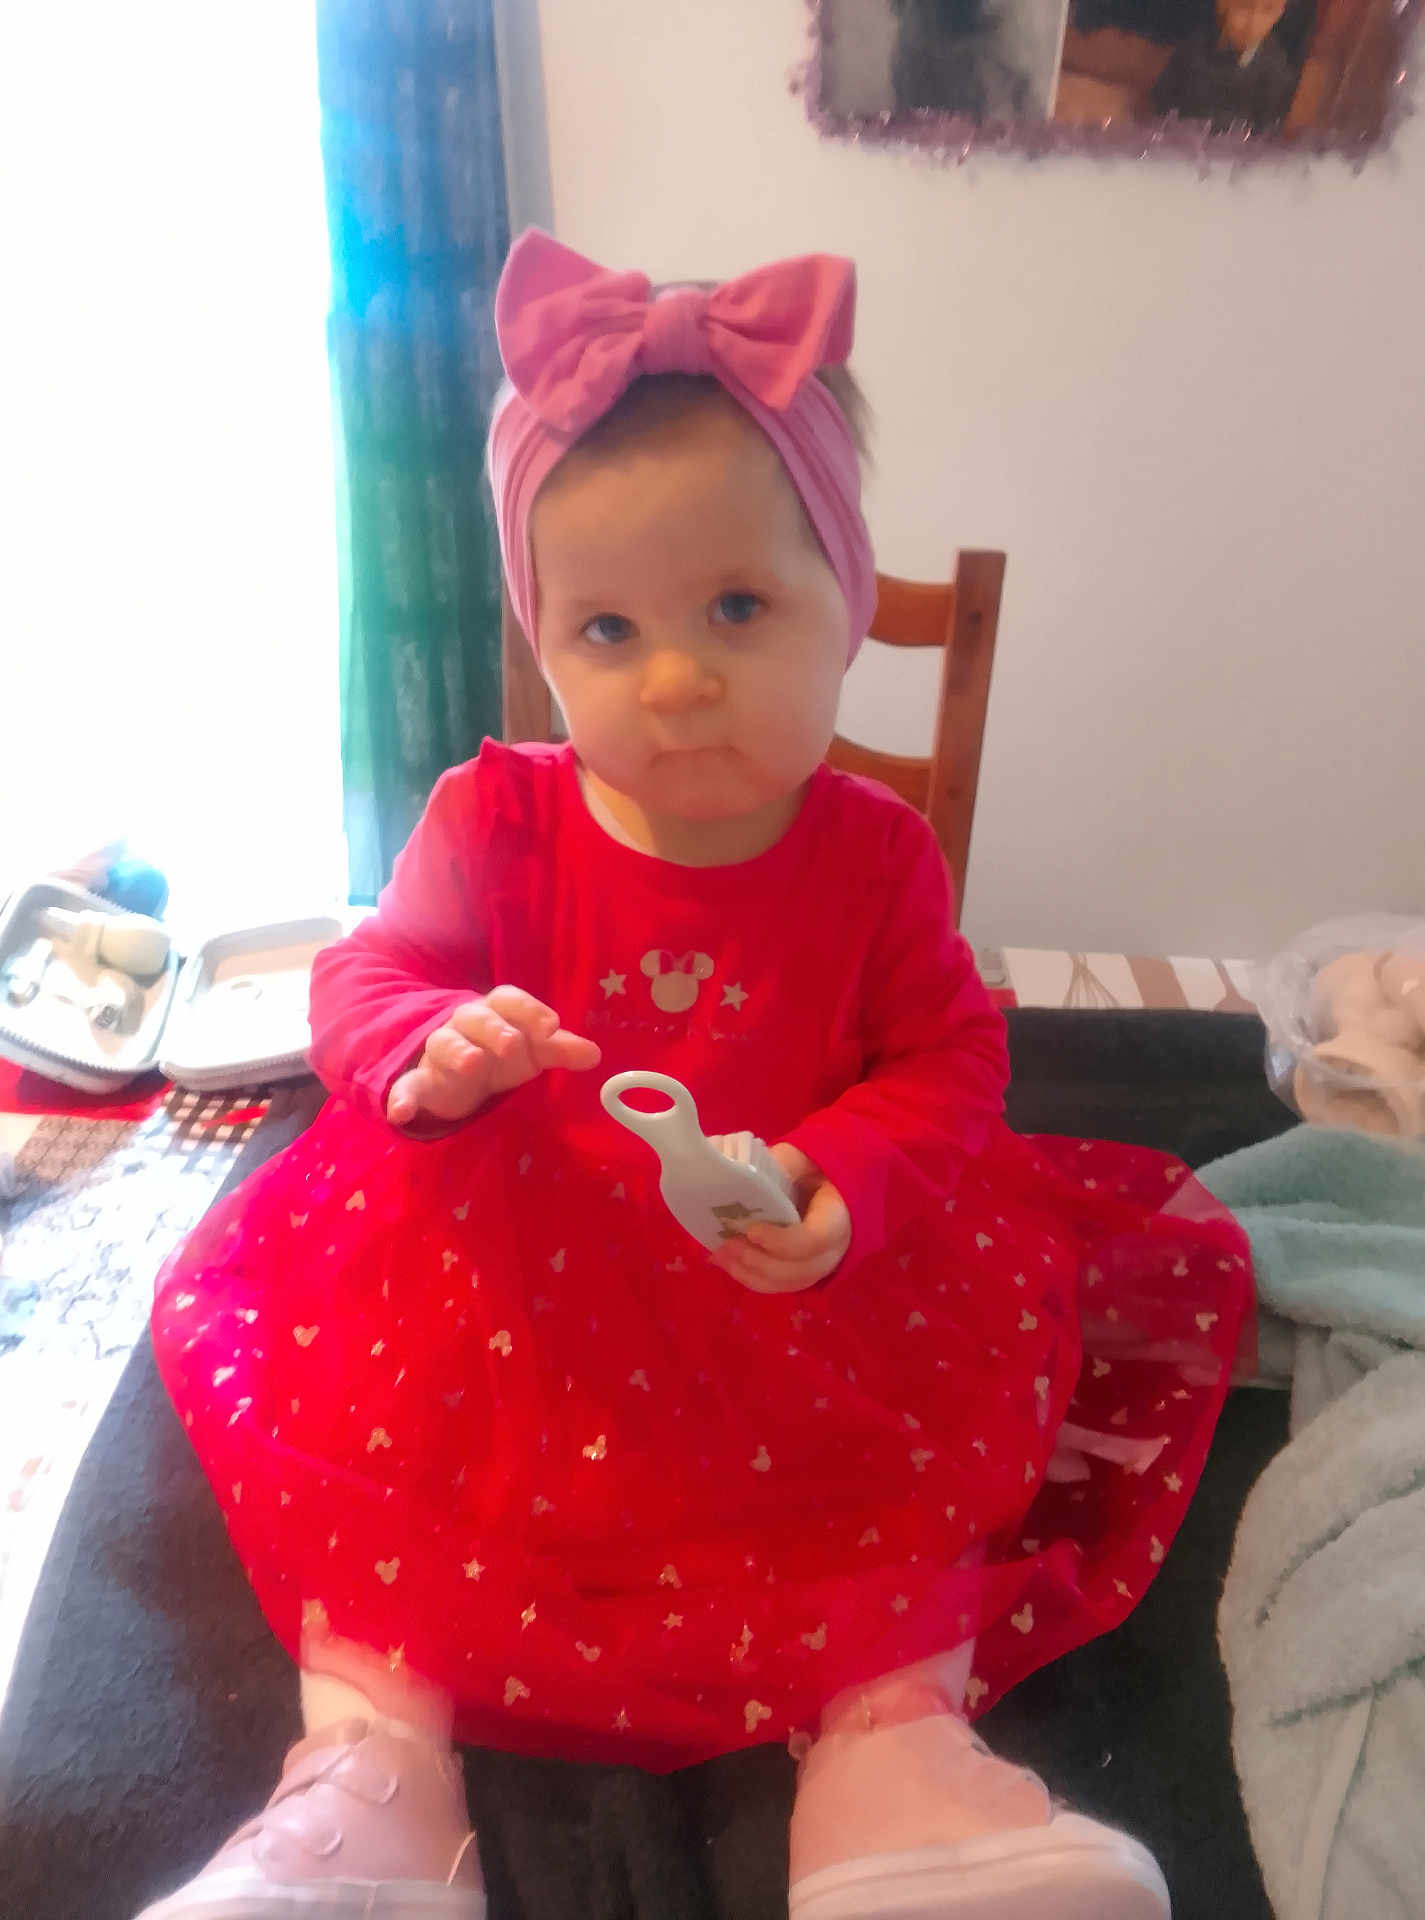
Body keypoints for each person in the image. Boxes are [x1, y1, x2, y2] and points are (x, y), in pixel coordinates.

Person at [137, 229, 1252, 1920]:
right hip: (512, 1298)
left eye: (737, 604)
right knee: (383, 1487)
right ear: (546, 641)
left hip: (797, 1295)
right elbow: (371, 968)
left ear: (848, 601)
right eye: (606, 626)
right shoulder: (492, 818)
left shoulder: (876, 859)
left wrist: (846, 1174)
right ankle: (367, 1785)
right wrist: (424, 1043)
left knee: (900, 1497)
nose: (675, 675)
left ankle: (899, 1775)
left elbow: (949, 1057)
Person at [1151, 0, 1302, 129]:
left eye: (1269, 10)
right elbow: (1162, 101)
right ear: (1222, 4)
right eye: (1244, 6)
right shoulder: (1193, 47)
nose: (1253, 23)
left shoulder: (1275, 71)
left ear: (1280, 13)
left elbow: (1266, 133)